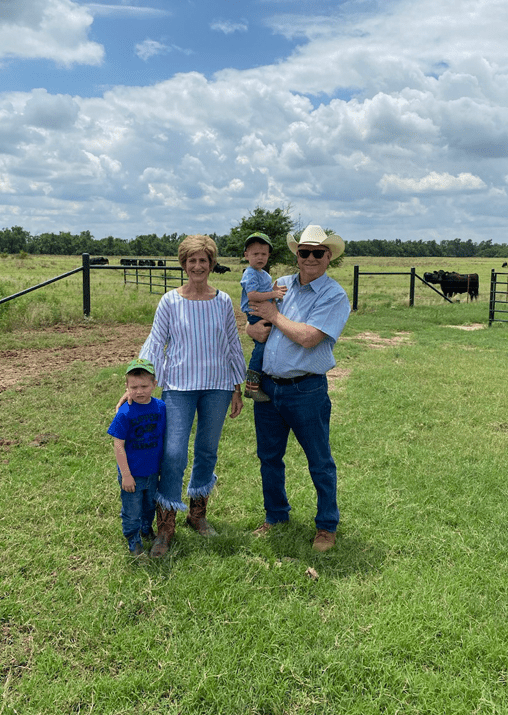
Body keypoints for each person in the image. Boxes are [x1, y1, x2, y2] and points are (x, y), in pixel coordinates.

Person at [119, 234, 246, 558]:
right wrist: (136, 385)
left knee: (206, 450)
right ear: (184, 264)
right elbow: (154, 341)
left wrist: (236, 385)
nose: (198, 266)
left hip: (217, 386)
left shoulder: (222, 302)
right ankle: (166, 525)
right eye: (192, 260)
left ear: (212, 264)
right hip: (178, 388)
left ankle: (197, 515)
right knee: (174, 453)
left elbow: (232, 344)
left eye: (204, 260)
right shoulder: (170, 302)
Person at [246, 224, 350, 552]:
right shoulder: (281, 285)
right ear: (297, 254)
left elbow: (308, 338)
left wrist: (274, 317)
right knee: (269, 457)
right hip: (268, 388)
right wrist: (254, 330)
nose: (309, 258)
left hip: (306, 390)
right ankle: (276, 515)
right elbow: (254, 315)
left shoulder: (334, 295)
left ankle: (326, 526)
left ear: (328, 256)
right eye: (303, 252)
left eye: (317, 253)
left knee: (319, 460)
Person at [108, 358, 166, 557]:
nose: (139, 391)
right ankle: (133, 539)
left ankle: (146, 528)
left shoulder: (161, 408)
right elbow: (118, 444)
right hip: (132, 474)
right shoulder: (125, 413)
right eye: (134, 387)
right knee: (132, 509)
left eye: (144, 386)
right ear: (126, 387)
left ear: (154, 384)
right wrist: (126, 475)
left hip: (153, 472)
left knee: (149, 506)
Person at [240, 232, 287, 403]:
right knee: (261, 346)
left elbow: (266, 293)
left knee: (269, 342)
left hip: (263, 311)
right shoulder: (250, 273)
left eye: (264, 254)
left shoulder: (264, 275)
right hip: (255, 314)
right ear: (246, 255)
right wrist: (274, 293)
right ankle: (252, 386)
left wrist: (273, 291)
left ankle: (264, 377)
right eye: (255, 254)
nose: (260, 257)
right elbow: (252, 295)